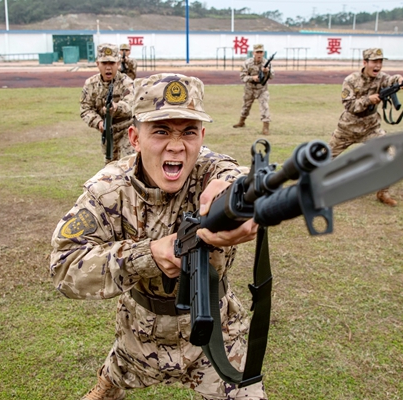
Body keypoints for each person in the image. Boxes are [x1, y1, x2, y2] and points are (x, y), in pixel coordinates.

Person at [50, 73, 267, 400]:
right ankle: (107, 386)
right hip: (140, 335)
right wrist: (148, 256)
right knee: (115, 378)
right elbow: (64, 267)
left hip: (217, 335)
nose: (177, 145)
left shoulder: (211, 171)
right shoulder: (110, 190)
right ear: (135, 138)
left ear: (202, 136)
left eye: (189, 132)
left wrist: (246, 203)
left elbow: (235, 178)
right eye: (161, 131)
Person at [328, 48, 403, 206]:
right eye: (374, 62)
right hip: (348, 128)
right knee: (325, 158)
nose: (378, 66)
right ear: (365, 63)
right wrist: (368, 100)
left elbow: (392, 80)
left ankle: (383, 192)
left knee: (389, 156)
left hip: (371, 128)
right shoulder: (351, 80)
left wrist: (401, 80)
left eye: (380, 62)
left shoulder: (382, 78)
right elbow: (349, 105)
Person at [80, 43, 135, 164]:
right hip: (107, 130)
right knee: (110, 168)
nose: (108, 68)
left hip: (127, 128)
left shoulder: (127, 83)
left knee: (133, 165)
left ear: (118, 64)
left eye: (112, 63)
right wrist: (99, 122)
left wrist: (116, 107)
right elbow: (85, 109)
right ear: (97, 64)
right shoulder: (90, 84)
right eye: (104, 63)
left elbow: (131, 105)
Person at [233, 44, 274, 136]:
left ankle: (265, 127)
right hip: (249, 89)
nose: (259, 54)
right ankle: (241, 122)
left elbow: (272, 76)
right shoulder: (247, 63)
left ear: (263, 53)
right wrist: (252, 78)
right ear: (253, 53)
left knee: (264, 107)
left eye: (261, 52)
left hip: (262, 89)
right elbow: (242, 77)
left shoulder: (267, 63)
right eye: (257, 52)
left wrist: (268, 71)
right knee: (246, 107)